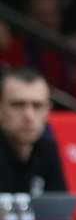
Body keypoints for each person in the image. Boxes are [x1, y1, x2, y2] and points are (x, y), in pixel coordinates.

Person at [0, 67, 65, 196]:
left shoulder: (48, 150)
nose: (29, 116)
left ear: (48, 110)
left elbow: (60, 210)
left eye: (37, 106)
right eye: (18, 105)